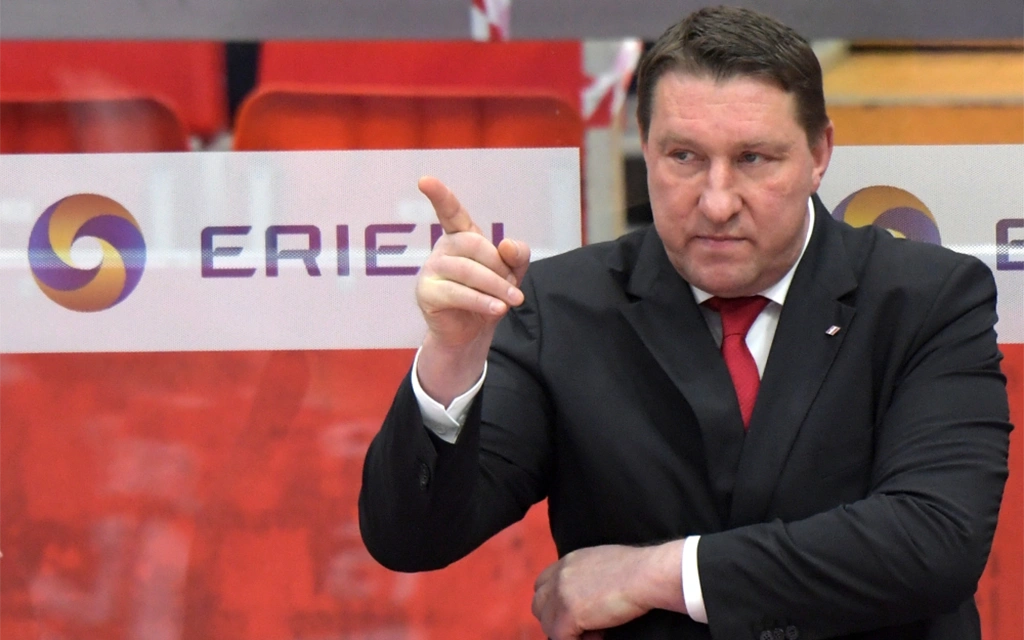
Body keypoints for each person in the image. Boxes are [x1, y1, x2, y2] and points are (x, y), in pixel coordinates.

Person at [358, 6, 1013, 639]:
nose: (717, 202)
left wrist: (659, 573)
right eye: (684, 157)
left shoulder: (928, 298)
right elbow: (413, 539)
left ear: (820, 153)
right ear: (645, 148)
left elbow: (934, 541)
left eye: (753, 158)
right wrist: (452, 358)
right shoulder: (559, 308)